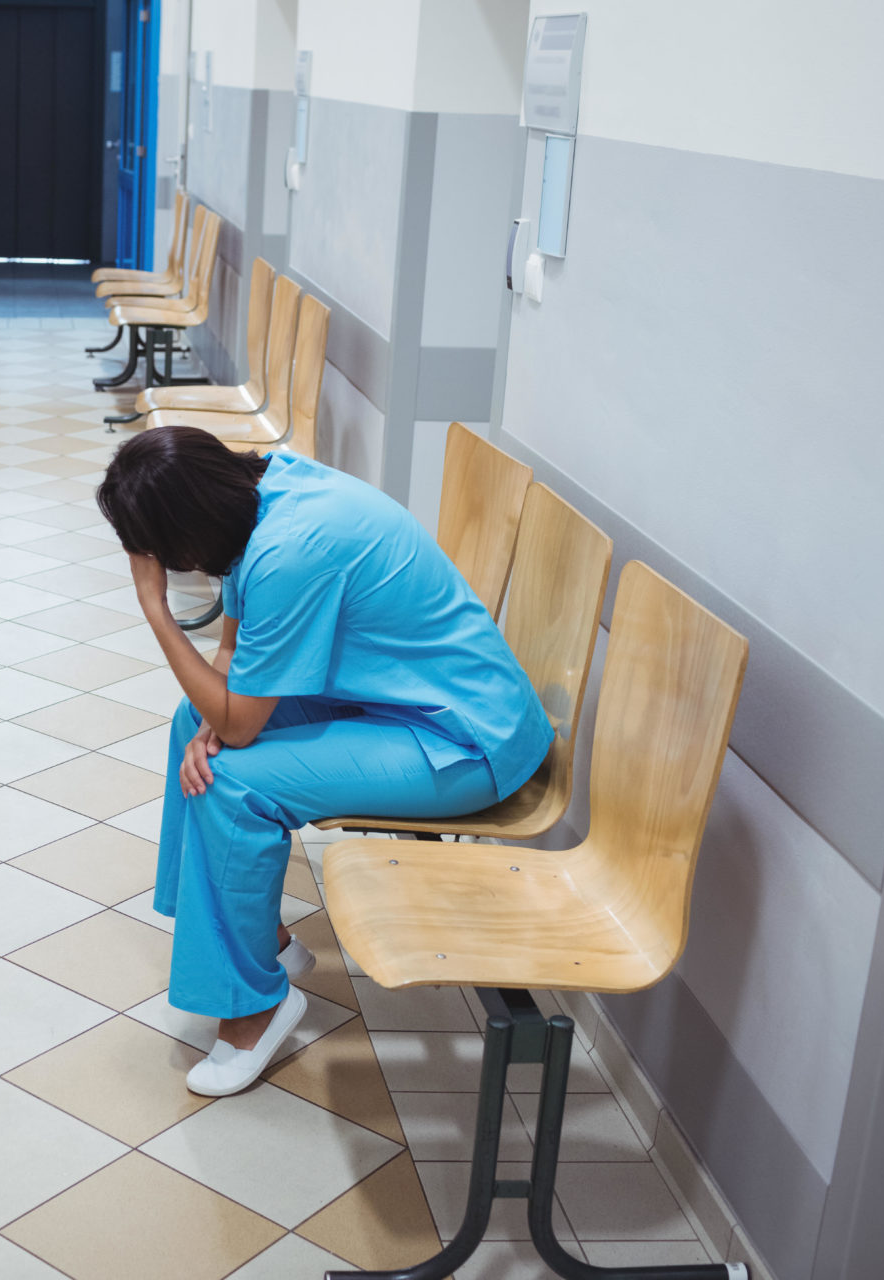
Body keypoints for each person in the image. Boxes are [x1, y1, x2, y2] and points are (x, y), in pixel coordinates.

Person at [95, 428, 552, 1096]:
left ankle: (257, 1008)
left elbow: (242, 723)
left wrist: (154, 609)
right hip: (399, 701)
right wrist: (212, 719)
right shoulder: (267, 486)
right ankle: (263, 941)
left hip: (467, 741)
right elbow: (233, 646)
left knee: (232, 781)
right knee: (190, 723)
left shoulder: (291, 551)